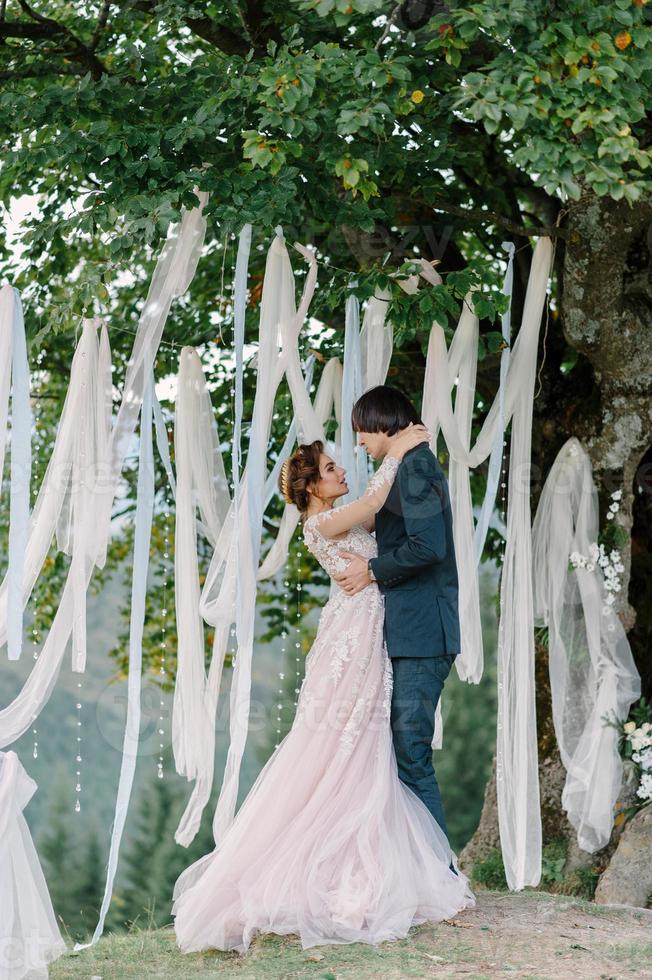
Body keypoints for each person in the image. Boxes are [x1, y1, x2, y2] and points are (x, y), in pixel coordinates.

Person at [172, 419, 474, 957]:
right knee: (351, 737)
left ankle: (379, 858)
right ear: (313, 486)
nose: (342, 472)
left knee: (364, 740)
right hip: (355, 635)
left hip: (368, 625)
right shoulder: (325, 522)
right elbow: (379, 497)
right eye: (333, 468)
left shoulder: (330, 518)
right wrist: (403, 445)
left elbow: (379, 509)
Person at [334, 385, 460, 842]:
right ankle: (418, 866)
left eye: (361, 431)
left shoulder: (418, 466)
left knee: (410, 750)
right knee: (400, 748)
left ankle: (439, 871)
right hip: (410, 633)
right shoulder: (405, 464)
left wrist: (371, 569)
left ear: (381, 421)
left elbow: (430, 546)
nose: (359, 443)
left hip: (424, 635)